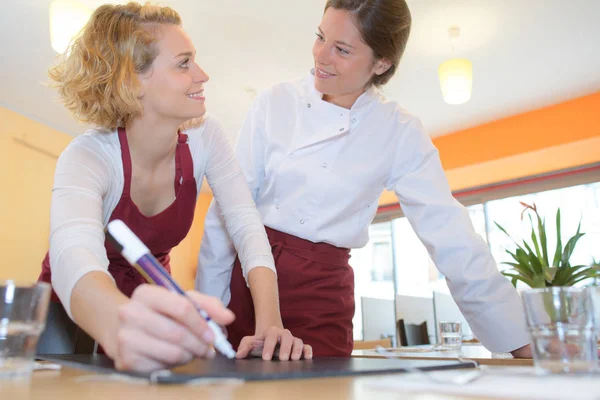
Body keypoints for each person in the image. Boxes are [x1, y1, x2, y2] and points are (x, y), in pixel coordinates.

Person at [198, 0, 532, 359]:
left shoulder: (398, 131)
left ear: (381, 63)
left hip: (320, 295)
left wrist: (521, 341)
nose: (320, 56)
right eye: (320, 37)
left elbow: (451, 235)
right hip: (248, 282)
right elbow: (228, 213)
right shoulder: (275, 102)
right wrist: (208, 317)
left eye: (342, 49)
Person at [37, 2, 310, 372]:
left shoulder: (206, 136)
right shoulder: (86, 158)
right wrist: (119, 323)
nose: (203, 74)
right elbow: (75, 259)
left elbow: (246, 225)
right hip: (75, 305)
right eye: (184, 63)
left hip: (150, 297)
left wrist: (271, 322)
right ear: (132, 82)